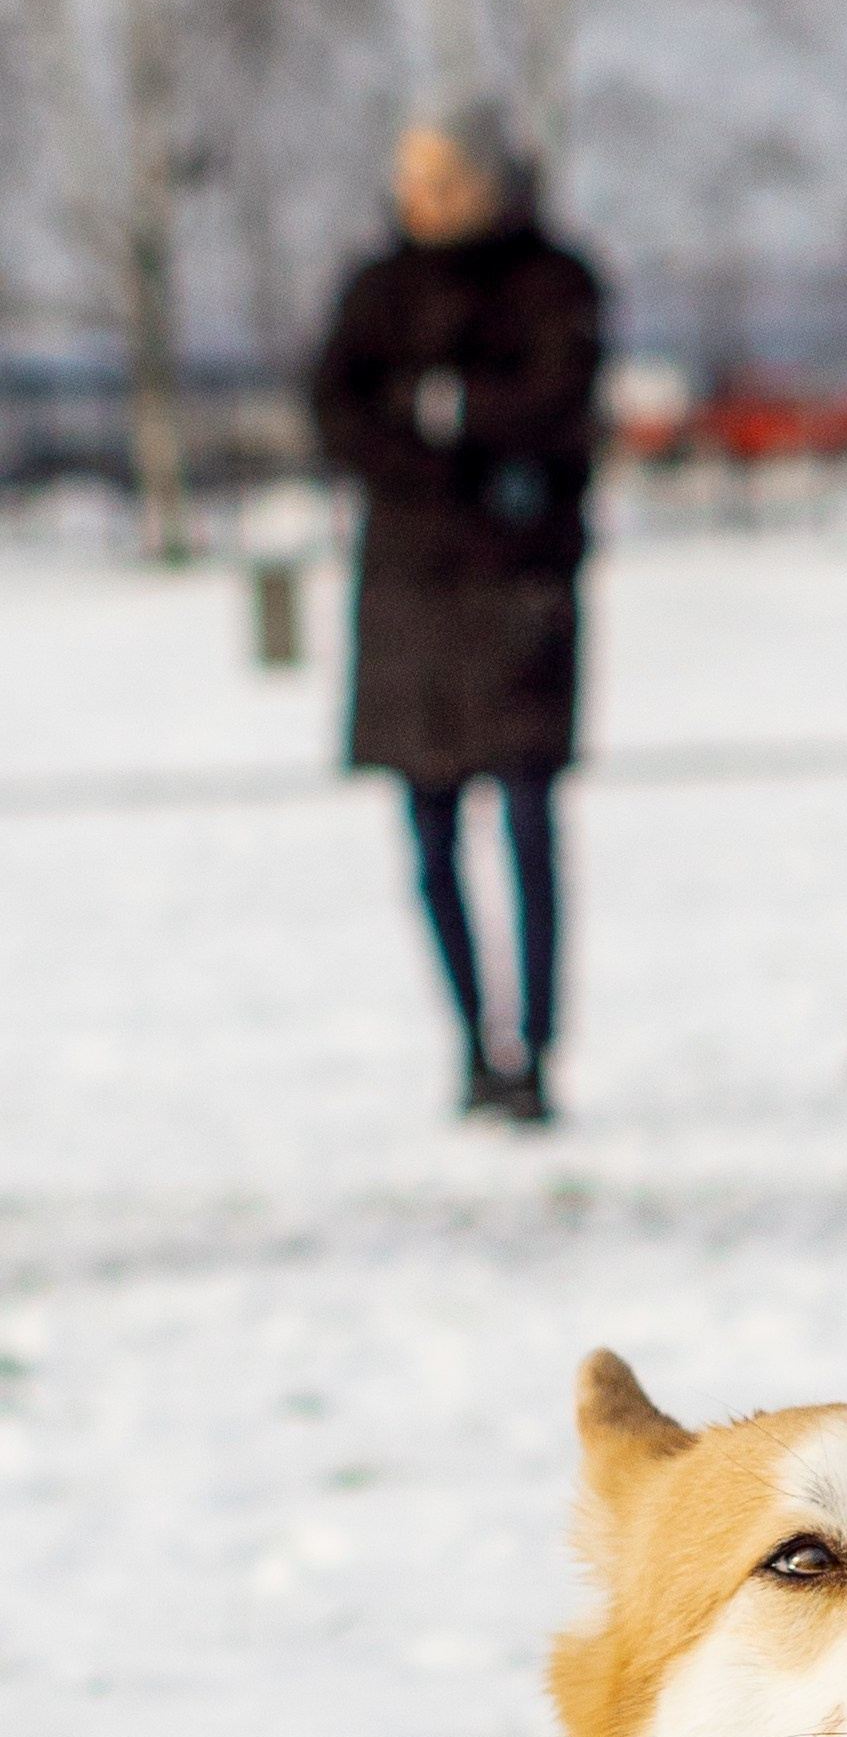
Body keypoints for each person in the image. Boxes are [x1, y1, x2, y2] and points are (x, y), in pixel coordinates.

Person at [312, 107, 604, 1125]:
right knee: (428, 839)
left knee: (528, 824)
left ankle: (536, 1050)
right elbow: (337, 414)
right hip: (408, 604)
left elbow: (558, 411)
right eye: (412, 176)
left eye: (442, 176)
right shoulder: (376, 290)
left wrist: (442, 415)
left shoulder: (552, 282)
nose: (421, 195)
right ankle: (471, 1044)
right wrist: (448, 439)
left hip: (516, 592)